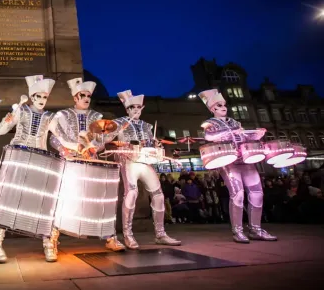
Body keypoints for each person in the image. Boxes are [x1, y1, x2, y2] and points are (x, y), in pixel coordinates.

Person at [49, 78, 125, 251]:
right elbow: (54, 138)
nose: (86, 98)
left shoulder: (97, 117)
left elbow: (101, 139)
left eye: (89, 96)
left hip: (91, 162)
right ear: (75, 97)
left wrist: (94, 148)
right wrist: (64, 150)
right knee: (64, 201)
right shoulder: (62, 115)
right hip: (71, 162)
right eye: (82, 95)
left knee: (100, 199)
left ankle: (110, 237)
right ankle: (53, 238)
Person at [0, 75, 58, 263]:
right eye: (38, 96)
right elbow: (1, 131)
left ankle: (48, 244)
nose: (42, 100)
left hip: (41, 161)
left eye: (45, 97)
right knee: (7, 199)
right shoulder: (22, 111)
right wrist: (10, 116)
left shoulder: (49, 117)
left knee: (45, 202)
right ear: (32, 96)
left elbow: (62, 137)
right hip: (18, 158)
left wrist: (77, 145)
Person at [199, 89, 277, 243]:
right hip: (227, 161)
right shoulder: (210, 123)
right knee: (238, 194)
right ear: (212, 108)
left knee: (257, 192)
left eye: (224, 104)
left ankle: (256, 229)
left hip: (245, 160)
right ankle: (238, 231)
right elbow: (209, 136)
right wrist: (230, 132)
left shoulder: (235, 122)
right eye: (219, 105)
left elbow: (243, 136)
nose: (223, 107)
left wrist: (255, 134)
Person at [113, 90, 181, 248]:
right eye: (132, 107)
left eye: (138, 107)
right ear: (127, 109)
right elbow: (107, 138)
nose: (136, 110)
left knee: (158, 194)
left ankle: (160, 233)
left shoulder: (146, 125)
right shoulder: (119, 123)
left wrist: (156, 144)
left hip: (145, 161)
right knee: (131, 192)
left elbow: (151, 141)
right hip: (129, 161)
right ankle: (128, 235)